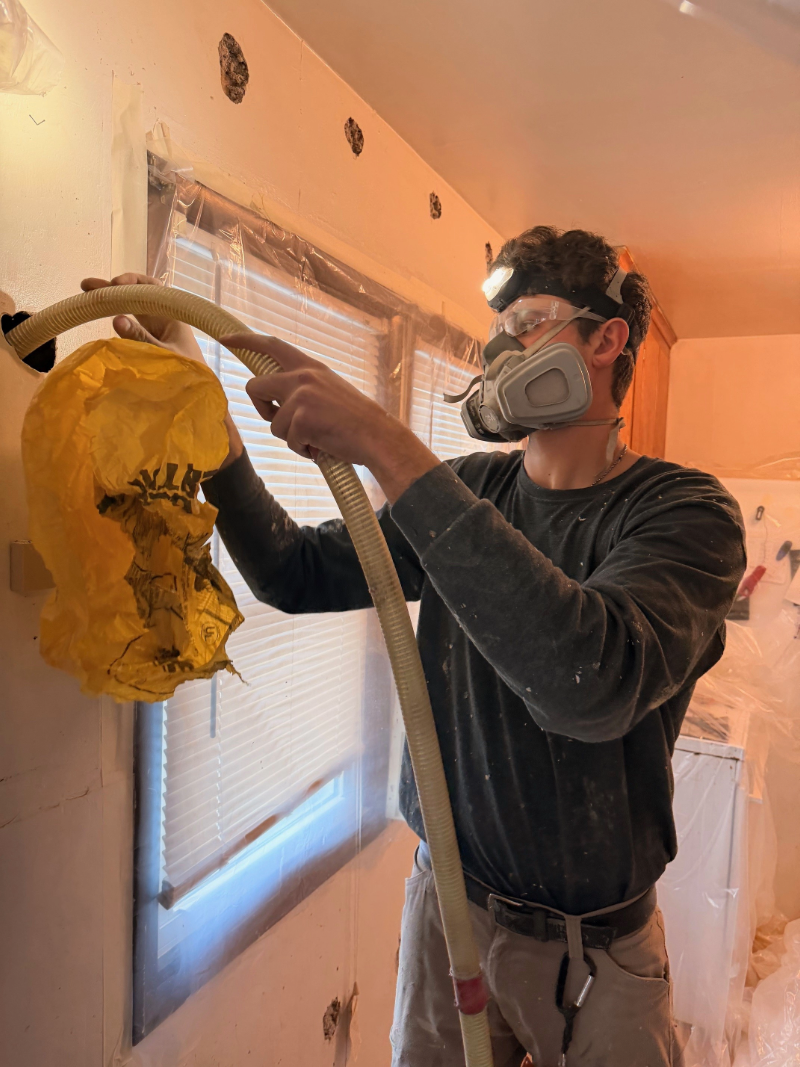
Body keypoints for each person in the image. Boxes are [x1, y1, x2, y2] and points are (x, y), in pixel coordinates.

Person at [83, 226, 745, 1067]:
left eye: (531, 321)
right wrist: (202, 407)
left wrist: (384, 443)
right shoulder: (472, 490)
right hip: (450, 915)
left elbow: (587, 679)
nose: (505, 346)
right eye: (499, 327)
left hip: (599, 955)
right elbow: (292, 570)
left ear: (606, 339)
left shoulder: (684, 513)